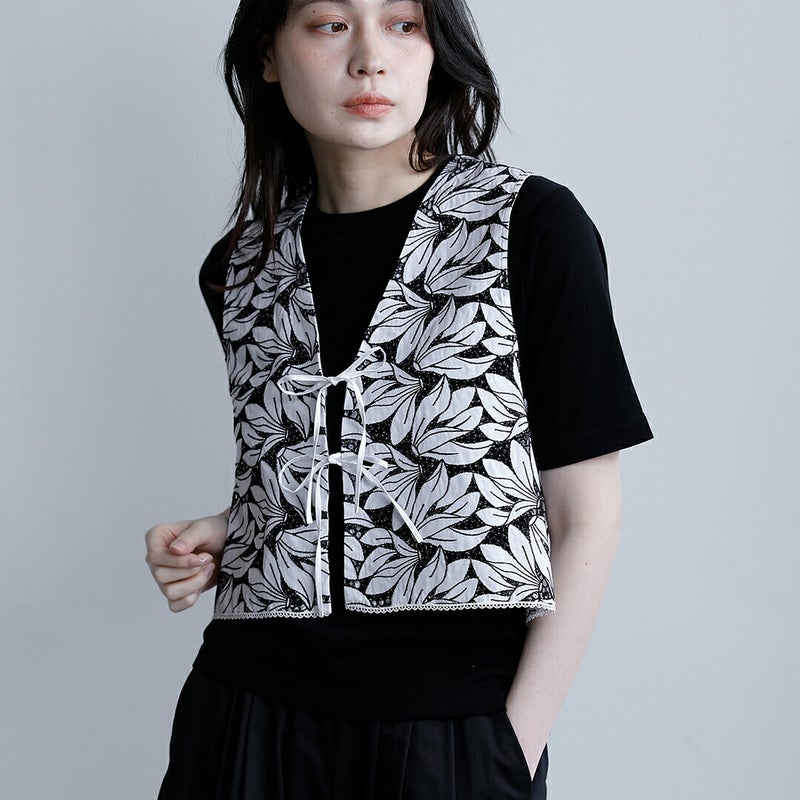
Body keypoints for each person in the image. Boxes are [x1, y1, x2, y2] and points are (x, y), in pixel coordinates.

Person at [144, 1, 654, 798]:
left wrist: (509, 750)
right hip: (244, 718)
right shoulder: (237, 267)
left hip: (449, 726)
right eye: (329, 24)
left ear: (437, 48)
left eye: (404, 23)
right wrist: (234, 529)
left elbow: (584, 514)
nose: (370, 58)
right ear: (269, 56)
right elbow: (334, 452)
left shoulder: (531, 228)